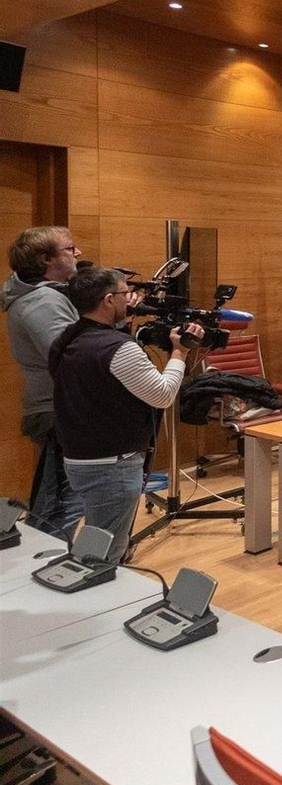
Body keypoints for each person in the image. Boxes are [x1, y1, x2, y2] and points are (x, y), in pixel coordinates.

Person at [48, 266, 203, 562]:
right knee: (105, 555)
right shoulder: (117, 349)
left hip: (78, 458)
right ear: (108, 300)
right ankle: (96, 601)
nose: (131, 298)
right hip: (112, 465)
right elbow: (162, 395)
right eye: (125, 293)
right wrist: (179, 353)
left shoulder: (67, 339)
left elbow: (99, 387)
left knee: (95, 538)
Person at [4, 226, 84, 542]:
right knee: (62, 504)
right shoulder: (43, 302)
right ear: (45, 259)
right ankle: (41, 569)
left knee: (59, 500)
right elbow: (70, 359)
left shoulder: (45, 295)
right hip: (56, 412)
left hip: (56, 410)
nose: (78, 253)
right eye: (70, 248)